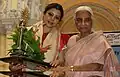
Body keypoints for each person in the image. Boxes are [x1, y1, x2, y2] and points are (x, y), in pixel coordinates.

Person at [51, 6, 119, 77]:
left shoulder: (100, 40)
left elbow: (98, 66)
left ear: (92, 21)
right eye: (79, 20)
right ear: (75, 22)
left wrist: (70, 68)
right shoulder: (72, 40)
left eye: (87, 20)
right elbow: (65, 61)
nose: (83, 23)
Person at [9, 3, 70, 73]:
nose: (52, 19)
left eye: (56, 17)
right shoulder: (27, 32)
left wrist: (53, 66)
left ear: (59, 21)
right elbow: (13, 61)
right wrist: (13, 68)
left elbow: (61, 62)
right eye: (50, 14)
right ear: (43, 14)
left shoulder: (61, 39)